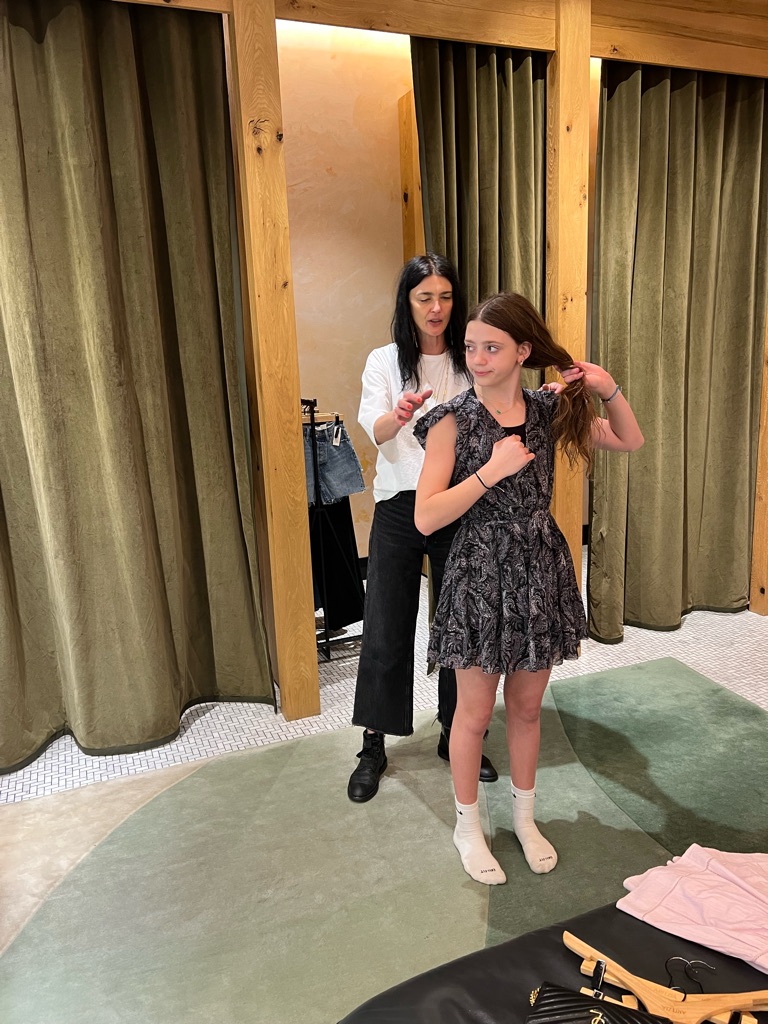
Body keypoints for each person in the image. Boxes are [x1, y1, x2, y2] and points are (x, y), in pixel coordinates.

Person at [413, 292, 644, 884]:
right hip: (479, 571)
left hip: (539, 566)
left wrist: (609, 389)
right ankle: (468, 828)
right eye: (471, 347)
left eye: (492, 348)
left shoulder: (547, 410)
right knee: (471, 716)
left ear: (523, 352)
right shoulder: (451, 420)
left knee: (526, 708)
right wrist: (491, 471)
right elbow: (426, 517)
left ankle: (524, 818)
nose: (478, 359)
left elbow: (629, 440)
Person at [348, 253, 500, 803]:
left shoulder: (469, 359)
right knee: (386, 623)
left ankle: (457, 732)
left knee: (461, 623)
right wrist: (402, 414)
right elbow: (376, 428)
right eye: (424, 298)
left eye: (445, 297)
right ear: (407, 303)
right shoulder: (384, 361)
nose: (436, 308)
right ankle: (373, 743)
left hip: (457, 504)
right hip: (398, 504)